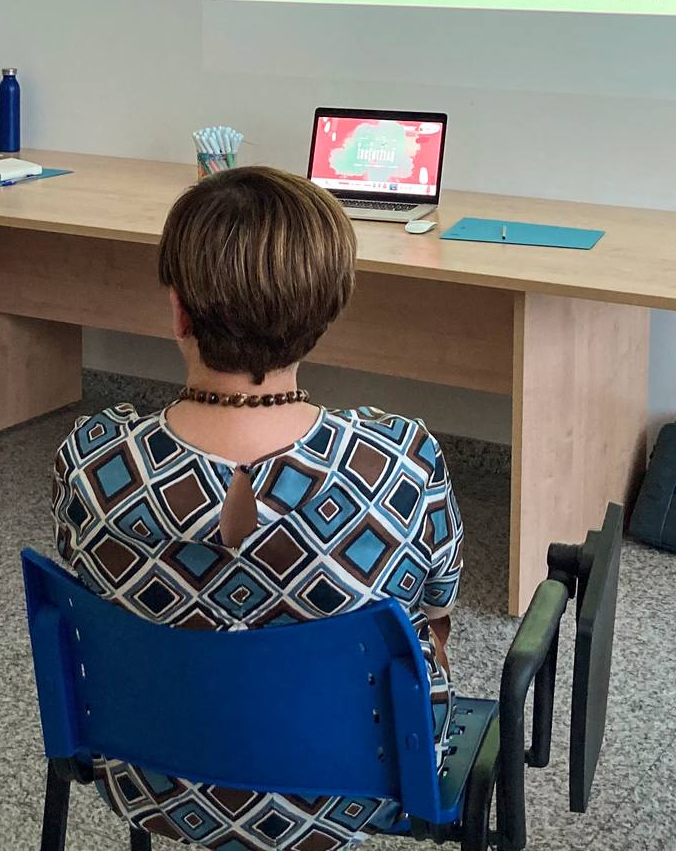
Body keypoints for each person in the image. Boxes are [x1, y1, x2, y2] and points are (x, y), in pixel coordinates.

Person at [51, 166, 464, 850]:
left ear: (179, 310)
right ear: (326, 311)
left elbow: (89, 595)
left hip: (153, 784)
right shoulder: (400, 460)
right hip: (355, 791)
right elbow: (437, 612)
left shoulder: (93, 460)